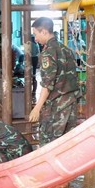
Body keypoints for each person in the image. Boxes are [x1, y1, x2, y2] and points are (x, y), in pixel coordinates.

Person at [29, 17, 80, 146]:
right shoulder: (67, 50)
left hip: (56, 106)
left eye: (36, 34)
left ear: (44, 32)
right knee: (68, 142)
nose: (35, 38)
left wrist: (37, 107)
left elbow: (47, 84)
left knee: (49, 144)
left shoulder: (47, 53)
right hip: (71, 103)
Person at [29, 34, 41, 102]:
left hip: (30, 59)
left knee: (31, 74)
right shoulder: (36, 44)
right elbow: (38, 53)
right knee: (33, 74)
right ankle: (34, 91)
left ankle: (32, 91)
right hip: (35, 59)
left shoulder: (29, 44)